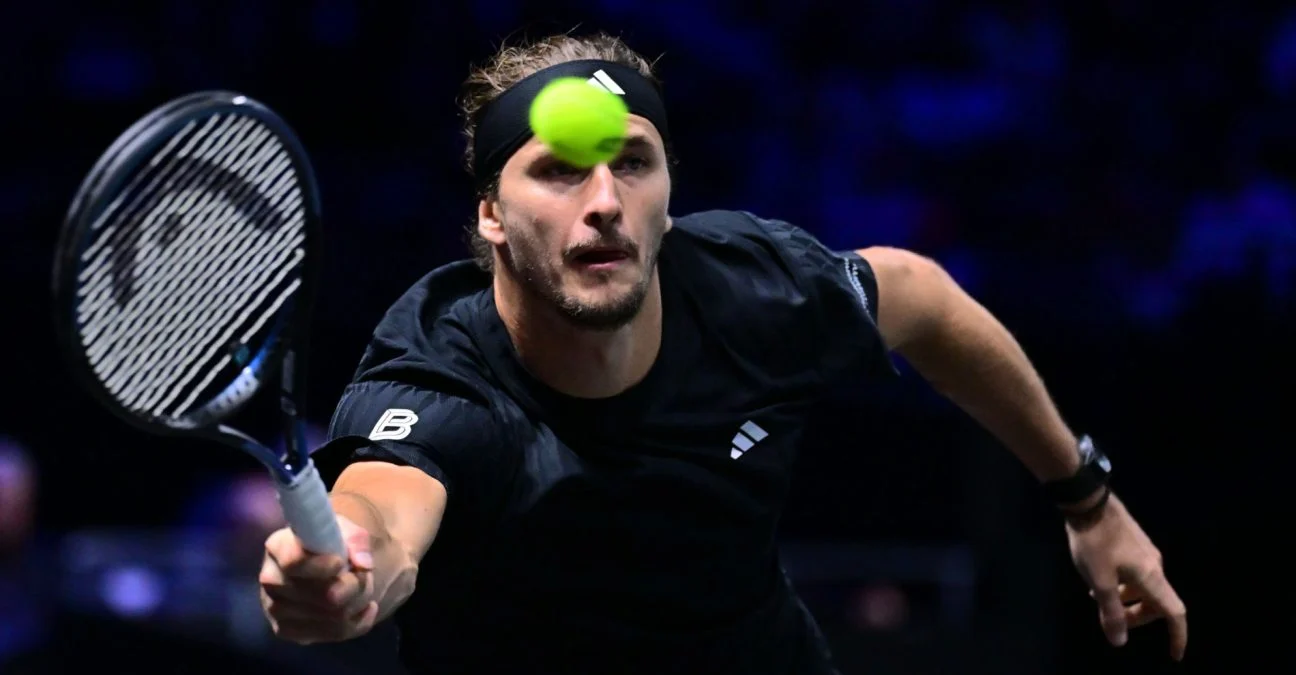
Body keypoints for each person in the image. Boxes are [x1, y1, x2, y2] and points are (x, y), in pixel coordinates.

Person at [257, 31, 1188, 674]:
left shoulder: (752, 290)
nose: (605, 200)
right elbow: (382, 506)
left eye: (632, 161)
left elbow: (921, 299)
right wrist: (350, 574)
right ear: (490, 216)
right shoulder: (439, 377)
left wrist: (1085, 496)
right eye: (556, 169)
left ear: (668, 186)